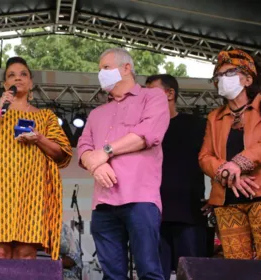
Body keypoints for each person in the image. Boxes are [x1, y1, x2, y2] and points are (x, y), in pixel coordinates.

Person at [0, 57, 72, 260]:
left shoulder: (45, 117)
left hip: (32, 192)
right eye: (11, 75)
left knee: (25, 253)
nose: (17, 78)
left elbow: (61, 153)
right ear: (5, 85)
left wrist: (39, 138)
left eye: (23, 74)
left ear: (31, 84)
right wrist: (0, 111)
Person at [78, 48, 168, 280]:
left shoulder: (153, 97)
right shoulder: (97, 113)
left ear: (126, 68)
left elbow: (149, 133)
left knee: (148, 271)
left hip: (140, 198)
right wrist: (96, 165)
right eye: (100, 70)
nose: (101, 74)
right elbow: (84, 148)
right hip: (104, 203)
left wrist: (105, 152)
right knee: (112, 275)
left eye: (105, 68)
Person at [199, 49, 261, 260]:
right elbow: (205, 157)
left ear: (248, 79)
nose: (222, 79)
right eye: (218, 76)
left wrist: (239, 163)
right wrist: (226, 173)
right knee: (235, 267)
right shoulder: (215, 117)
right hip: (227, 200)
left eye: (230, 73)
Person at [146, 74, 207, 280]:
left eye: (152, 91)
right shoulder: (145, 130)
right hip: (153, 213)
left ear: (170, 93)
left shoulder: (197, 125)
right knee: (154, 273)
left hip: (188, 213)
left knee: (191, 273)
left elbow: (215, 160)